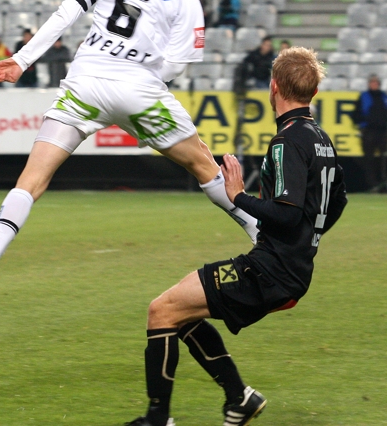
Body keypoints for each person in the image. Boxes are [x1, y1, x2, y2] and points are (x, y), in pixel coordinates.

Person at [0, 0, 260, 320]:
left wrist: (21, 60)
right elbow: (178, 64)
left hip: (84, 82)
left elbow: (66, 15)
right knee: (204, 165)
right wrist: (142, 79)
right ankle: (260, 233)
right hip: (138, 87)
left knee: (32, 179)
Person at [125, 46, 347, 426]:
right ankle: (239, 398)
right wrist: (309, 239)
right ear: (312, 92)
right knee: (180, 312)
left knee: (160, 310)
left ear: (273, 87)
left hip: (269, 271)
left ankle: (158, 418)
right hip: (287, 269)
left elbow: (287, 215)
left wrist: (238, 196)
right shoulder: (320, 138)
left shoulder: (287, 141)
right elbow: (337, 200)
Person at [352, 74, 387, 192]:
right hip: (369, 132)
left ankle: (383, 181)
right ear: (369, 84)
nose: (374, 85)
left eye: (376, 83)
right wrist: (362, 124)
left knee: (384, 158)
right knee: (369, 159)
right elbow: (355, 114)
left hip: (383, 131)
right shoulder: (363, 96)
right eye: (372, 82)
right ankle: (372, 184)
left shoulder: (383, 96)